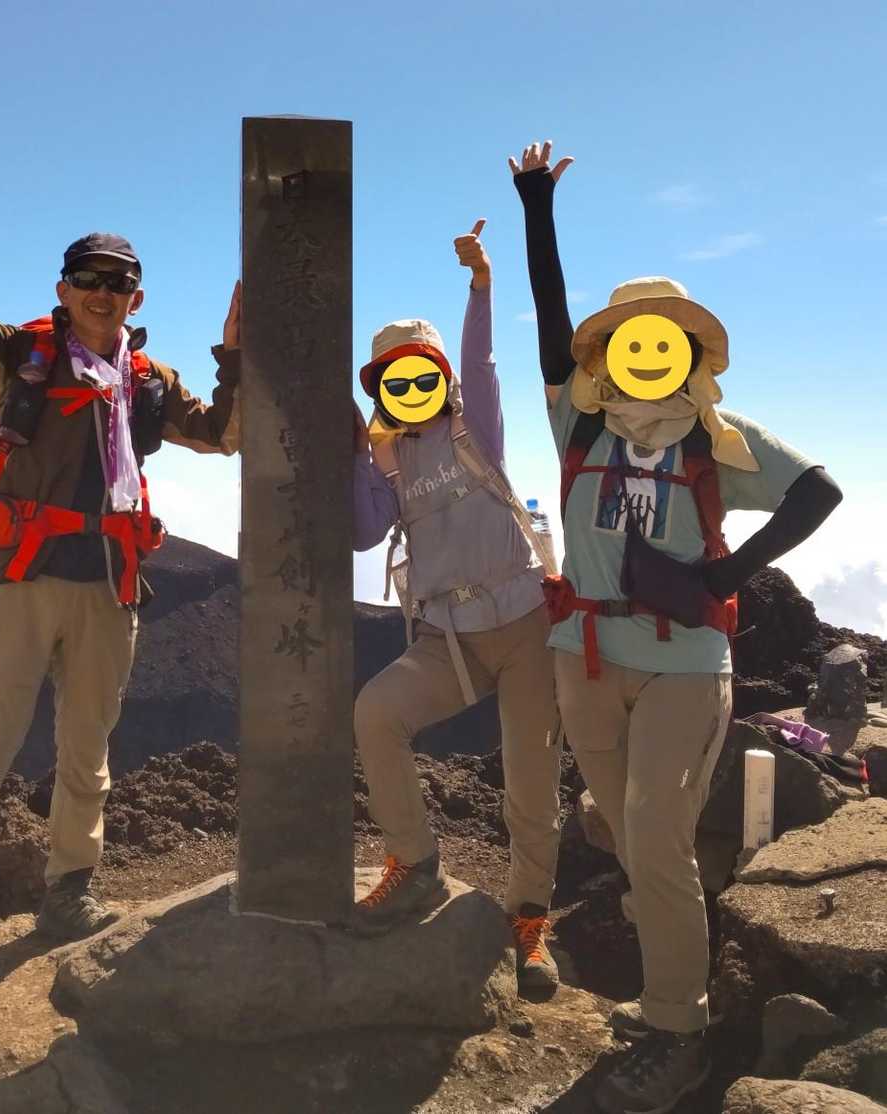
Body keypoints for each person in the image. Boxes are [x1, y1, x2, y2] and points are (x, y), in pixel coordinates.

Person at [511, 140, 842, 1112]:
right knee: (625, 832)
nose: (643, 353)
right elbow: (548, 324)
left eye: (661, 339)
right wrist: (535, 207)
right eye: (627, 338)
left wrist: (724, 573)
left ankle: (677, 1030)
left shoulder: (715, 437)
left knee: (652, 834)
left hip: (684, 663)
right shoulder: (578, 423)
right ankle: (669, 986)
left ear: (687, 352)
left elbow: (818, 490)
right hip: (584, 657)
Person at [0, 161, 241, 1008]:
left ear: (135, 296)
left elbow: (223, 434)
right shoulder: (24, 357)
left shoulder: (146, 381)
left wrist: (234, 357)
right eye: (88, 279)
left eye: (117, 282)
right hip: (23, 583)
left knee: (87, 757)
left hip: (109, 588)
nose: (102, 293)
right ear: (63, 289)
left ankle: (68, 896)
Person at [350, 219, 563, 995]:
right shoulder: (389, 457)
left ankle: (529, 920)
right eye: (392, 378)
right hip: (447, 635)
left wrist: (480, 283)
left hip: (525, 624)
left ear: (441, 375)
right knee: (376, 714)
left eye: (422, 373)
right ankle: (415, 862)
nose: (410, 388)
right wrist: (360, 456)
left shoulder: (476, 427)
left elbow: (483, 359)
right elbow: (362, 530)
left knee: (531, 782)